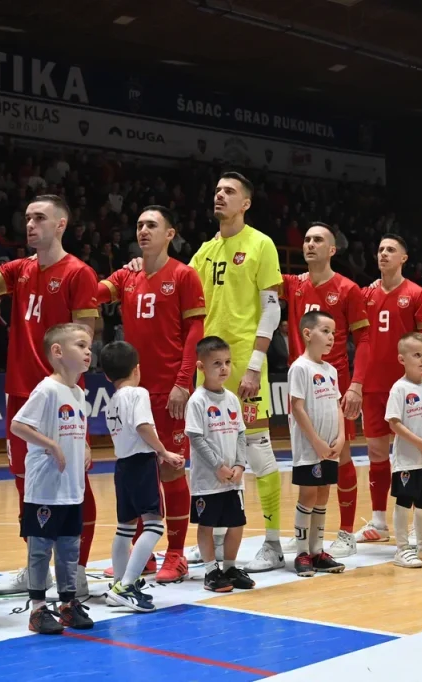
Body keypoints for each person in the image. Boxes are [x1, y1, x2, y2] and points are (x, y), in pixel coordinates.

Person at [0, 195, 100, 597]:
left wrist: (80, 410)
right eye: (28, 217)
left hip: (61, 396)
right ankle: (35, 568)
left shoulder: (78, 273)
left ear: (61, 225)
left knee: (76, 485)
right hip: (21, 393)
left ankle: (79, 569)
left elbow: (85, 342)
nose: (30, 224)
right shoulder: (18, 269)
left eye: (40, 218)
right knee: (26, 484)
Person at [101, 206, 204, 582]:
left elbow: (195, 332)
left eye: (152, 225)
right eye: (139, 224)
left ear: (170, 233)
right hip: (133, 392)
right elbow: (93, 292)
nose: (143, 230)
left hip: (169, 388)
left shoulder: (183, 274)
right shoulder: (127, 275)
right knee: (139, 472)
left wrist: (182, 381)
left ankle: (175, 554)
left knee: (170, 469)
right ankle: (143, 554)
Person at [189, 173, 285, 573]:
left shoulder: (260, 243)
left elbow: (272, 308)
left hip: (244, 365)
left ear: (245, 202)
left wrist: (254, 367)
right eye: (216, 191)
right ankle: (208, 539)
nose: (220, 196)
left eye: (229, 192)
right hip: (206, 367)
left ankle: (274, 542)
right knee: (207, 456)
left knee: (257, 453)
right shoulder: (205, 250)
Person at [280, 223, 370, 558]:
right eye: (306, 239)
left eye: (318, 240)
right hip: (302, 383)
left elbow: (365, 341)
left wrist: (357, 385)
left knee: (340, 454)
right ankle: (305, 538)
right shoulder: (291, 285)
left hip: (336, 384)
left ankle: (345, 532)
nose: (310, 244)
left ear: (333, 249)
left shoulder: (347, 289)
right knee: (306, 456)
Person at [9, 323, 95, 634]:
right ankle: (37, 609)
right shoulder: (46, 389)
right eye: (81, 345)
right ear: (57, 352)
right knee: (41, 549)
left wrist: (83, 445)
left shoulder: (78, 391)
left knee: (70, 547)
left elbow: (74, 426)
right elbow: (18, 425)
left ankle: (68, 605)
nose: (88, 351)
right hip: (45, 490)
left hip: (72, 488)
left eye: (89, 346)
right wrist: (51, 444)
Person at [355, 235, 422, 545]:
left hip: (409, 388)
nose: (383, 254)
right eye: (380, 250)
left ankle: (417, 521)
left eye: (390, 250)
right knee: (376, 452)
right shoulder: (365, 295)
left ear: (404, 257)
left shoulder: (417, 294)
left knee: (414, 452)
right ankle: (378, 520)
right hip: (373, 387)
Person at [100, 341, 185, 612]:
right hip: (141, 463)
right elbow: (143, 426)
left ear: (106, 375)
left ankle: (118, 584)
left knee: (125, 527)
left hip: (122, 466)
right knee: (154, 525)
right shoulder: (138, 393)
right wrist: (163, 452)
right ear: (137, 369)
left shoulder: (111, 400)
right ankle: (126, 586)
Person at [185, 336, 256, 592]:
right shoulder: (198, 400)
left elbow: (240, 433)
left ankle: (229, 567)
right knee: (207, 525)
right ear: (201, 367)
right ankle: (210, 571)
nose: (224, 368)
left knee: (236, 523)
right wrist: (218, 466)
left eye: (227, 362)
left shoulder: (232, 399)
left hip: (233, 479)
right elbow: (196, 438)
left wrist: (239, 465)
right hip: (208, 480)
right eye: (217, 363)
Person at [288, 310, 347, 577]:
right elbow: (297, 408)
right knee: (308, 494)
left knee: (323, 492)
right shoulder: (300, 367)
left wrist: (342, 436)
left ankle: (317, 550)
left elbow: (337, 405)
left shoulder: (331, 370)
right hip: (310, 447)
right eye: (325, 330)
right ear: (308, 334)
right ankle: (301, 553)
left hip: (330, 447)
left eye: (333, 332)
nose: (331, 337)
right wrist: (317, 442)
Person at [385, 332, 422, 568]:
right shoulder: (399, 388)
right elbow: (394, 422)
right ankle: (401, 549)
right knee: (404, 499)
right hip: (407, 460)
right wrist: (420, 443)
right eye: (417, 355)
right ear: (402, 359)